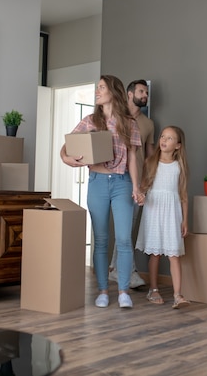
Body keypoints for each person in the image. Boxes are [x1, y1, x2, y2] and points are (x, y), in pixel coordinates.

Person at [60, 75, 143, 309]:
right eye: (97, 88)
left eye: (102, 88)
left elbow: (134, 158)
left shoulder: (129, 123)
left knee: (124, 239)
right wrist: (68, 159)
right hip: (97, 182)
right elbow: (66, 148)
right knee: (101, 240)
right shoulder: (89, 121)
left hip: (122, 183)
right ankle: (103, 291)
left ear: (113, 92)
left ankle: (124, 291)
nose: (97, 91)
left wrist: (136, 187)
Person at [135, 125, 190, 309]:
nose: (164, 140)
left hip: (172, 213)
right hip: (153, 210)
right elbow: (143, 187)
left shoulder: (179, 166)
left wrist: (185, 219)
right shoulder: (151, 162)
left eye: (170, 138)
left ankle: (178, 295)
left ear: (178, 146)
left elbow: (183, 194)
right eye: (162, 137)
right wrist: (140, 195)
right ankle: (153, 289)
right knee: (156, 253)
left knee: (174, 254)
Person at [109, 79, 155, 288]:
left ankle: (116, 269)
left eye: (146, 92)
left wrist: (150, 179)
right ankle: (123, 270)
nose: (145, 95)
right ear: (129, 94)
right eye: (141, 91)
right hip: (115, 177)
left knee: (127, 227)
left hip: (137, 181)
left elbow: (149, 155)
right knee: (123, 227)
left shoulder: (148, 124)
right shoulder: (115, 116)